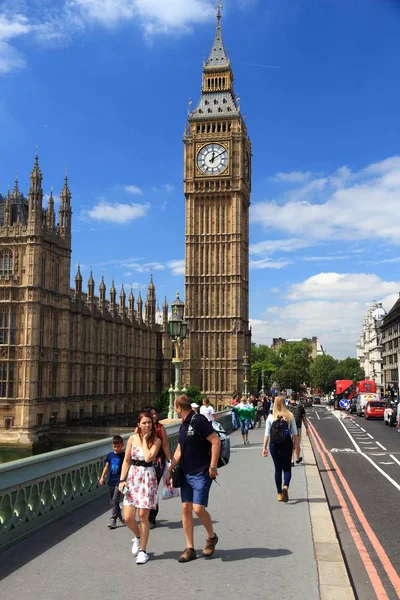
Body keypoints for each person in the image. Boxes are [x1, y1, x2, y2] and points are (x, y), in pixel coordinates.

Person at [166, 395, 221, 563]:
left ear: (178, 408)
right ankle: (190, 548)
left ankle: (211, 537)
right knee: (185, 508)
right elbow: (179, 450)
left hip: (201, 472)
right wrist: (170, 469)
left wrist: (212, 466)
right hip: (185, 472)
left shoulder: (198, 421)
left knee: (198, 508)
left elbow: (216, 441)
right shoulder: (183, 425)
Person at [118, 412, 161, 565]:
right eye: (144, 423)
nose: (147, 425)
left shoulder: (156, 440)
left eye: (149, 422)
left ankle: (143, 551)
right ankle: (137, 536)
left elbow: (149, 458)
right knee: (128, 517)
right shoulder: (131, 439)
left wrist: (144, 439)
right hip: (133, 477)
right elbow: (127, 460)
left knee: (143, 516)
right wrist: (122, 480)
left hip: (147, 478)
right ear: (138, 424)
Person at [262, 395, 299, 502]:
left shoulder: (271, 417)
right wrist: (295, 445)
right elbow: (295, 433)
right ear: (284, 403)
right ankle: (285, 487)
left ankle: (279, 494)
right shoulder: (289, 416)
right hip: (286, 444)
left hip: (274, 445)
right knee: (287, 468)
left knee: (278, 469)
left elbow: (267, 434)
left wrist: (264, 447)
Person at [143, 405, 172, 530]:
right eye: (152, 414)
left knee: (152, 490)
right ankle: (145, 514)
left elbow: (165, 446)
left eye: (155, 414)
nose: (154, 416)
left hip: (157, 464)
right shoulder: (141, 429)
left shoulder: (160, 428)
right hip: (143, 464)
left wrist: (169, 462)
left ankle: (151, 517)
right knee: (145, 490)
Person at [99, 434, 125, 529]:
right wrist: (102, 477)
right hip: (111, 480)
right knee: (112, 501)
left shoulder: (124, 455)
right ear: (112, 446)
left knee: (115, 500)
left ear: (122, 445)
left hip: (120, 481)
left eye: (118, 446)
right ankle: (119, 514)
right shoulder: (110, 455)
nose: (116, 448)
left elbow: (127, 466)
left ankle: (113, 520)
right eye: (114, 446)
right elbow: (106, 466)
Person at [287, 394, 309, 465]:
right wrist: (307, 428)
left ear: (290, 399)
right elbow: (304, 418)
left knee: (290, 444)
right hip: (298, 427)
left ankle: (291, 461)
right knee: (297, 444)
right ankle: (297, 458)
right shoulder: (300, 407)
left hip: (289, 427)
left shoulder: (287, 407)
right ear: (296, 399)